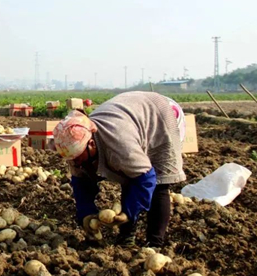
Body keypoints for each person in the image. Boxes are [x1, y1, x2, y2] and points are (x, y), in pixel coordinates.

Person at [53, 92, 186, 248]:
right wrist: (86, 213)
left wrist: (128, 212)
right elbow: (81, 182)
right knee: (128, 176)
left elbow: (145, 178)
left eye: (77, 157)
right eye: (72, 159)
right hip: (130, 113)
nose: (75, 162)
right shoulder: (74, 146)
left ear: (91, 144)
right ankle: (126, 237)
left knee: (160, 184)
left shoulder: (120, 146)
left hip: (160, 114)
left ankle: (155, 242)